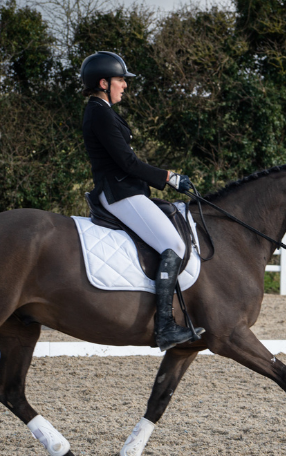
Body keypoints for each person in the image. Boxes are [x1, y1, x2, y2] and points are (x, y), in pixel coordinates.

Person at [80, 51, 204, 351]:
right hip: (120, 193)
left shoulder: (104, 111)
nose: (125, 85)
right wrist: (169, 178)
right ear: (103, 82)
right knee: (173, 245)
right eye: (120, 80)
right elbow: (127, 163)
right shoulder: (99, 112)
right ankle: (164, 327)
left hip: (127, 190)